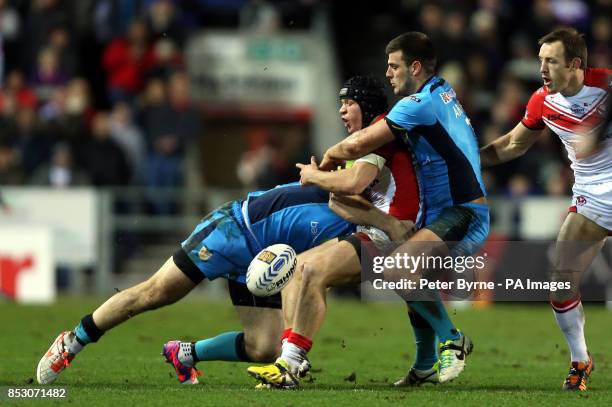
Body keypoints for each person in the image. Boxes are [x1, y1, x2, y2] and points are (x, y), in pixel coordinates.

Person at [248, 64, 487, 388]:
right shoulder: (364, 141)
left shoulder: (378, 135)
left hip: (398, 230)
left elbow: (352, 182)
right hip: (383, 229)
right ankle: (289, 358)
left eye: (349, 103)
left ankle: (290, 363)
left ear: (366, 105)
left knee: (313, 272)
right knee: (299, 268)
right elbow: (339, 199)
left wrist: (316, 175)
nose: (341, 111)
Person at [36, 182, 408, 385]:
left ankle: (184, 353)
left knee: (262, 348)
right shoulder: (351, 190)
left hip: (264, 261)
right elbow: (343, 183)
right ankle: (72, 341)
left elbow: (314, 280)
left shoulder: (361, 232)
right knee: (154, 293)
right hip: (232, 231)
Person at [480, 27, 611, 391]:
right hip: (591, 200)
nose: (542, 68)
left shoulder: (606, 86)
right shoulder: (542, 101)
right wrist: (471, 162)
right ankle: (580, 360)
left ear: (574, 64)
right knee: (561, 281)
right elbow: (513, 145)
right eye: (540, 60)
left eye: (551, 61)